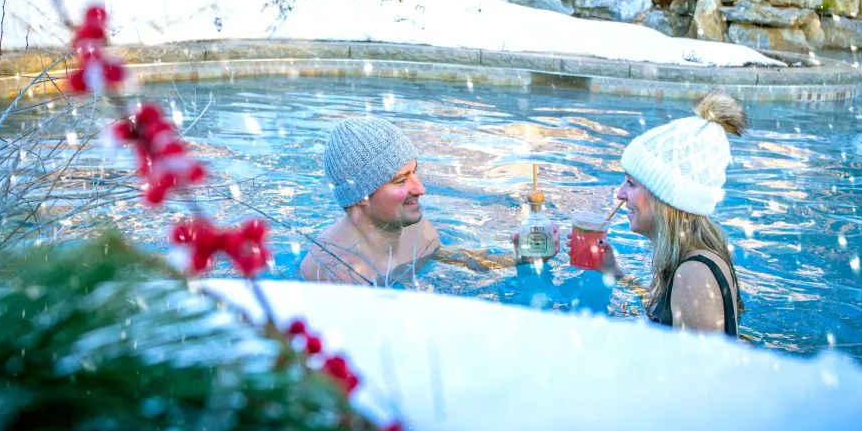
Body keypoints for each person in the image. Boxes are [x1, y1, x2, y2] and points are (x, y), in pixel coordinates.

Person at [300, 116, 560, 285]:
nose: (420, 189)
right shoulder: (333, 272)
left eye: (415, 172)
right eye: (401, 180)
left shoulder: (410, 228)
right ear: (360, 196)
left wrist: (522, 259)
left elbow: (456, 258)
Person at [572, 91, 746, 335]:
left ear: (666, 198)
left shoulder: (693, 274)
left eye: (631, 183)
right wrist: (614, 272)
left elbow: (703, 371)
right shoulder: (691, 260)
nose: (620, 194)